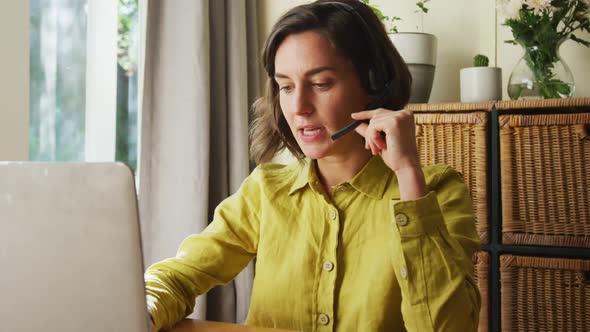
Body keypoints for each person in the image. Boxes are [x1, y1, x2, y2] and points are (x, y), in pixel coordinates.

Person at [145, 0, 481, 331]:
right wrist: (143, 310)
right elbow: (180, 275)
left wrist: (408, 174)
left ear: (374, 84)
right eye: (286, 87)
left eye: (321, 83)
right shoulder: (265, 190)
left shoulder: (436, 192)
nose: (299, 107)